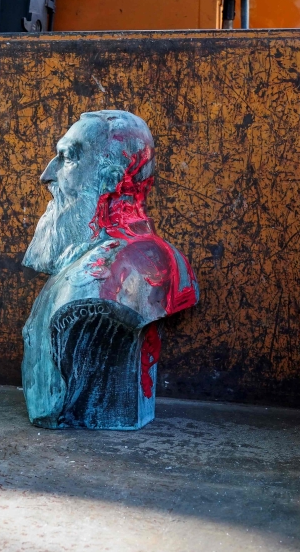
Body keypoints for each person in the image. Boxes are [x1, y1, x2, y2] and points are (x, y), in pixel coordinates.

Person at [21, 111, 199, 430]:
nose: (48, 175)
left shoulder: (133, 266)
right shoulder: (85, 259)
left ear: (112, 178)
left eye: (67, 157)